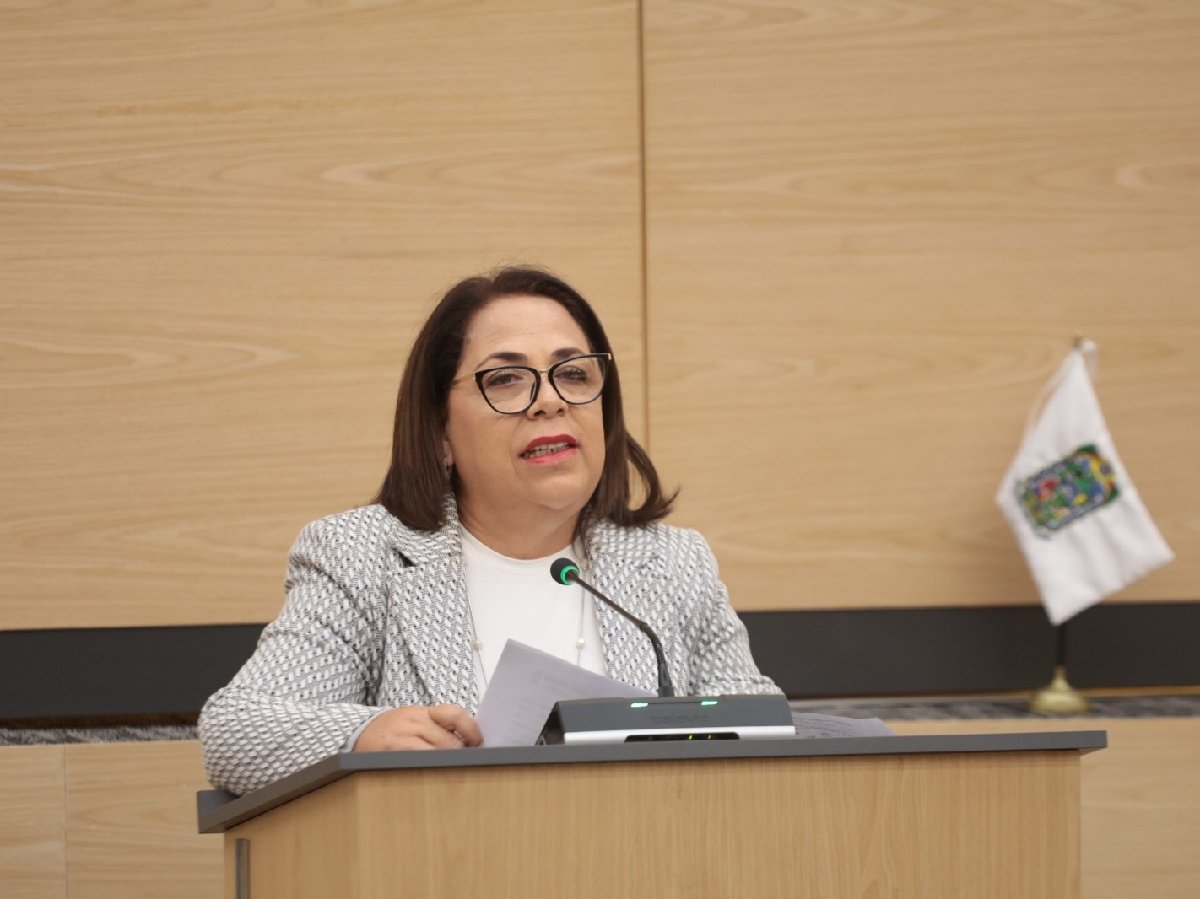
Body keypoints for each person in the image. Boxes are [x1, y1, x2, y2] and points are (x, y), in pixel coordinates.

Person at [199, 266, 780, 795]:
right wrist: (365, 736)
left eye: (573, 373)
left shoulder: (671, 563)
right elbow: (237, 732)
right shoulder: (362, 556)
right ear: (440, 434)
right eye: (505, 380)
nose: (549, 401)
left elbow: (767, 735)